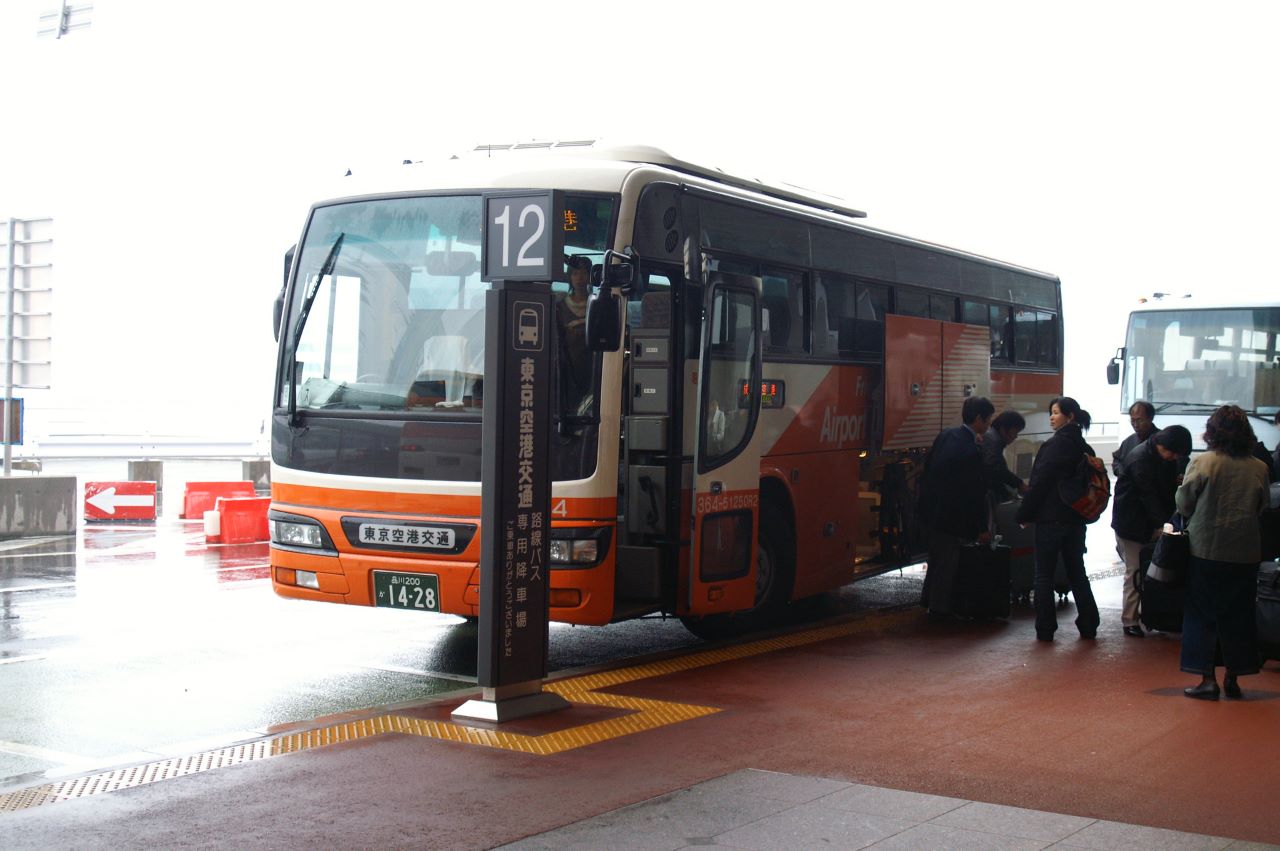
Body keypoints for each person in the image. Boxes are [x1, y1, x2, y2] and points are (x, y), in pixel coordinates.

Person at [1176, 405, 1270, 700]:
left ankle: (1207, 680)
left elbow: (1184, 503)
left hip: (1206, 549)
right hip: (1245, 553)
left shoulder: (1204, 462)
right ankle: (1233, 678)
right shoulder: (1259, 467)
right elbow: (1262, 506)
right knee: (1239, 614)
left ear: (1212, 431)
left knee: (1202, 614)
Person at [1015, 396, 1102, 641]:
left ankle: (1045, 628)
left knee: (1043, 574)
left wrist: (1025, 514)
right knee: (1077, 571)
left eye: (1055, 412)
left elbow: (1040, 483)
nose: (1051, 417)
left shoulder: (1053, 446)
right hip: (1076, 520)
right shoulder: (1085, 448)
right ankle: (1088, 623)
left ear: (1070, 416)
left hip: (1050, 520)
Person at [1110, 425, 1193, 636]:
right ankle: (1130, 620)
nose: (1174, 458)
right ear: (1163, 445)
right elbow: (1148, 495)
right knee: (1135, 571)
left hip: (1145, 522)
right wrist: (1163, 524)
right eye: (1173, 453)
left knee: (1146, 570)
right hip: (1133, 525)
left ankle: (1149, 615)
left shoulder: (1158, 455)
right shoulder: (1140, 459)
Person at [917, 396, 995, 616]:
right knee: (947, 564)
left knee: (937, 559)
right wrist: (981, 527)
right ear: (979, 419)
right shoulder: (970, 452)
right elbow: (973, 493)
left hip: (932, 510)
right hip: (952, 516)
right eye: (988, 421)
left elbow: (928, 470)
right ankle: (939, 610)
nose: (989, 426)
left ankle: (928, 601)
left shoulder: (947, 435)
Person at [556, 255, 593, 414]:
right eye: (575, 273)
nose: (579, 278)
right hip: (567, 365)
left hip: (591, 363)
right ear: (569, 277)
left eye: (583, 273)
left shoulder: (597, 304)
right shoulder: (560, 306)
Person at [983, 410, 1028, 504]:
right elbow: (996, 470)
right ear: (1003, 429)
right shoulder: (994, 442)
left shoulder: (991, 437)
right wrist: (1018, 484)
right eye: (1015, 432)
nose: (1016, 436)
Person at [1112, 401, 1158, 477]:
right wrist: (1121, 472)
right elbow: (1117, 460)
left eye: (1140, 420)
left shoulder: (1161, 440)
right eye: (1133, 420)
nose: (1136, 425)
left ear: (1150, 418)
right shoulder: (1128, 442)